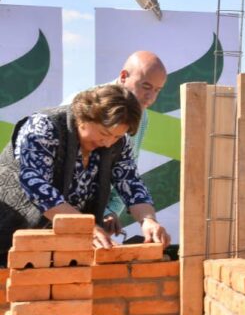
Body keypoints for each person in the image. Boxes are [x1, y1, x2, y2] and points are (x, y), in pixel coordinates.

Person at [0, 85, 171, 266]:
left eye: (116, 136)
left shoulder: (119, 142)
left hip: (55, 251)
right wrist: (85, 228)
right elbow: (36, 186)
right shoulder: (43, 126)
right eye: (104, 133)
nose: (108, 143)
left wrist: (148, 220)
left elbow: (131, 182)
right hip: (7, 236)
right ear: (84, 117)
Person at [83, 51, 168, 236]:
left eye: (157, 90)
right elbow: (72, 176)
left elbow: (126, 171)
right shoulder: (88, 105)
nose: (151, 97)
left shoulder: (141, 115)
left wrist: (111, 210)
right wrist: (96, 215)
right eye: (146, 86)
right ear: (123, 76)